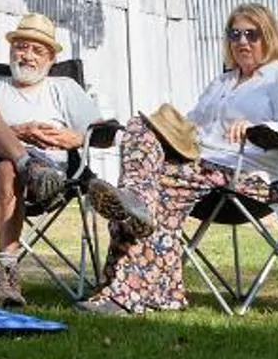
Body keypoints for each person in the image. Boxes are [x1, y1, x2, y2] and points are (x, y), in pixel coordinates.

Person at [0, 12, 104, 307]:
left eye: (37, 50)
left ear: (51, 59)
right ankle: (27, 165)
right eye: (21, 46)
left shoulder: (64, 87)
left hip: (55, 178)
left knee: (9, 168)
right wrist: (21, 133)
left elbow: (103, 133)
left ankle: (6, 271)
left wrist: (76, 138)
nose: (26, 55)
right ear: (11, 49)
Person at [78, 103, 206, 314]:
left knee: (151, 196)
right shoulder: (223, 84)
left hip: (235, 172)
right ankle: (137, 202)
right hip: (180, 166)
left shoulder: (274, 81)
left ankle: (136, 200)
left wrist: (252, 129)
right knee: (138, 126)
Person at [186, 3, 278, 200]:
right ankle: (135, 220)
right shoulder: (221, 83)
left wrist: (257, 129)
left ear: (268, 38)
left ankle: (136, 219)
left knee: (159, 182)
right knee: (141, 133)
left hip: (255, 177)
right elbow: (191, 124)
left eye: (251, 34)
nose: (242, 41)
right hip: (202, 164)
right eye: (235, 34)